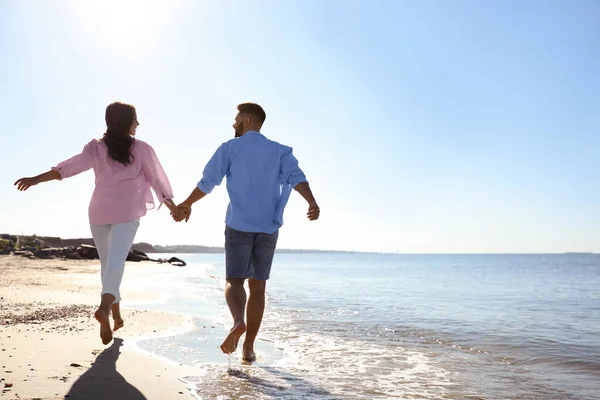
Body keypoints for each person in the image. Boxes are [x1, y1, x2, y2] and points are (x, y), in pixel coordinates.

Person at [14, 102, 178, 345]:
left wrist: (35, 179)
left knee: (108, 265)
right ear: (126, 122)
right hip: (128, 212)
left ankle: (116, 316)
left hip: (99, 212)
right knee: (115, 264)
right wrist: (174, 207)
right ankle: (104, 308)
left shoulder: (96, 148)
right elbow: (157, 179)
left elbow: (67, 168)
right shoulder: (142, 149)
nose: (138, 124)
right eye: (136, 119)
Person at [173, 102, 320, 361]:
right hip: (267, 227)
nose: (234, 123)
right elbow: (298, 177)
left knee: (234, 280)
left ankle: (237, 321)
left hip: (238, 224)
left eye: (237, 118)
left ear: (248, 121)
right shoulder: (280, 151)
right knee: (258, 288)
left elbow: (208, 182)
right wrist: (311, 202)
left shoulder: (230, 148)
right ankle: (249, 347)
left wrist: (187, 203)